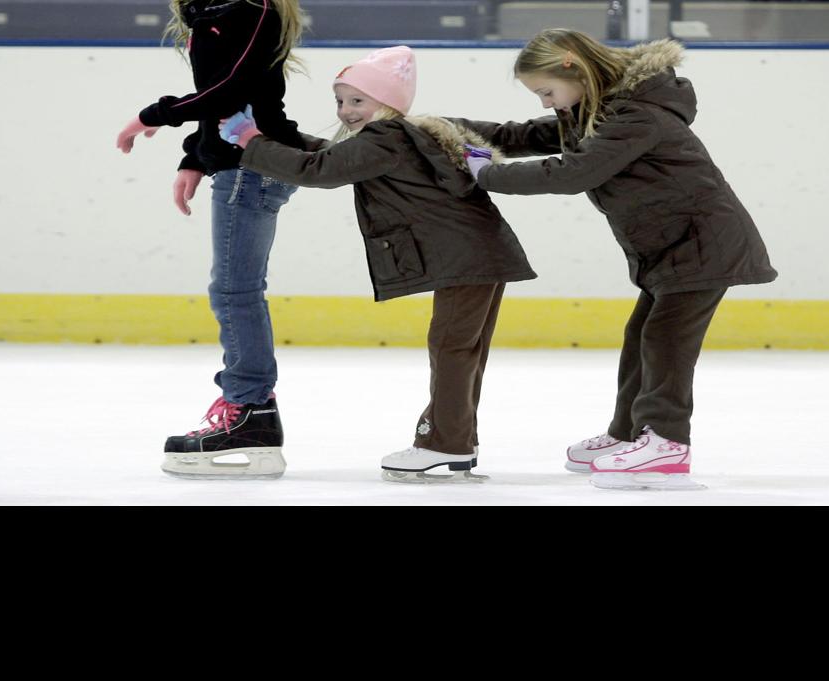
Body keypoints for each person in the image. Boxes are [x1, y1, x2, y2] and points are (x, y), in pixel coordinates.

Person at [462, 29, 776, 490]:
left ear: (573, 66)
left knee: (666, 339)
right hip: (669, 247)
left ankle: (666, 443)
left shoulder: (634, 115)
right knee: (642, 335)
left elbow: (575, 172)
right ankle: (628, 434)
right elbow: (526, 135)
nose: (547, 104)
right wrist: (448, 128)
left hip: (702, 243)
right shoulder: (593, 111)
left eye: (547, 92)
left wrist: (486, 176)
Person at [221, 46, 536, 482]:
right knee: (463, 350)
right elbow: (331, 158)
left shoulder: (383, 139)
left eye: (357, 101)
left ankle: (444, 443)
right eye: (341, 100)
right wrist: (279, 140)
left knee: (451, 349)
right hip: (481, 253)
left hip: (467, 258)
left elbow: (318, 171)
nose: (346, 111)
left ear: (387, 103)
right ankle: (458, 439)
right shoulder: (403, 135)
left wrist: (251, 142)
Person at [117, 0, 310, 480]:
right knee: (235, 291)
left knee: (235, 293)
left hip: (255, 165)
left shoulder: (250, 8)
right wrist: (195, 159)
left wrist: (155, 115)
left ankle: (249, 412)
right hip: (240, 164)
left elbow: (234, 89)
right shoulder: (210, 9)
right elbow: (221, 95)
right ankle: (251, 410)